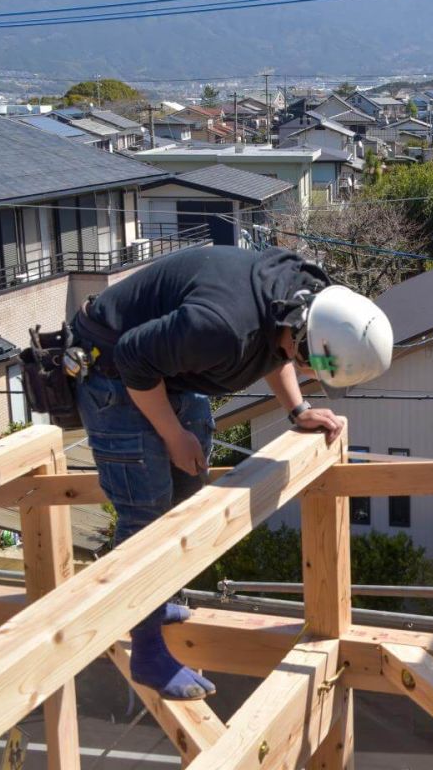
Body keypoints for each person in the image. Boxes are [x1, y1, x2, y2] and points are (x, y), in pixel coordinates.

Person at [70, 245, 393, 700]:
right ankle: (145, 650)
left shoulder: (302, 295)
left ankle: (153, 599)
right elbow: (133, 358)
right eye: (307, 366)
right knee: (145, 514)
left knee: (184, 496)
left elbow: (276, 353)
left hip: (167, 369)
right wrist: (170, 433)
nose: (306, 373)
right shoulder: (220, 328)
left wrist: (297, 409)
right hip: (114, 374)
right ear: (300, 336)